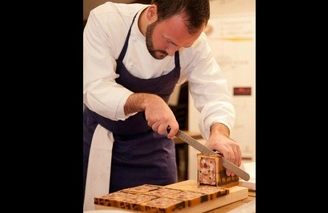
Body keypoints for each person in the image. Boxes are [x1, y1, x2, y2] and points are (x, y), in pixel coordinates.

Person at [83, 0, 243, 210]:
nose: (171, 53)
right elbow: (94, 87)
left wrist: (219, 131)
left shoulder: (196, 45)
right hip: (102, 144)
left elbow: (214, 94)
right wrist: (148, 100)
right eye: (168, 41)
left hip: (154, 149)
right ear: (152, 12)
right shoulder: (107, 20)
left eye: (181, 47)